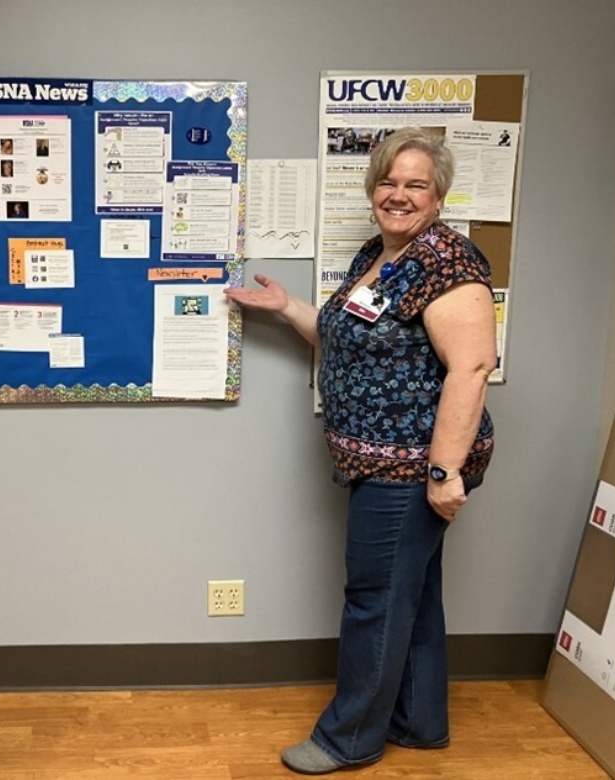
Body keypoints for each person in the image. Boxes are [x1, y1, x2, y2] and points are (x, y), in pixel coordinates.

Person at [224, 127, 496, 775]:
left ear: (439, 195)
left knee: (374, 598)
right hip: (379, 462)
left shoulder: (446, 263)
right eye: (389, 181)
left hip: (407, 468)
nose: (398, 195)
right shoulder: (381, 254)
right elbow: (349, 333)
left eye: (415, 184)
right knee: (413, 594)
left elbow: (473, 367)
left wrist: (443, 471)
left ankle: (348, 740)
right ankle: (418, 722)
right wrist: (287, 307)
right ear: (374, 187)